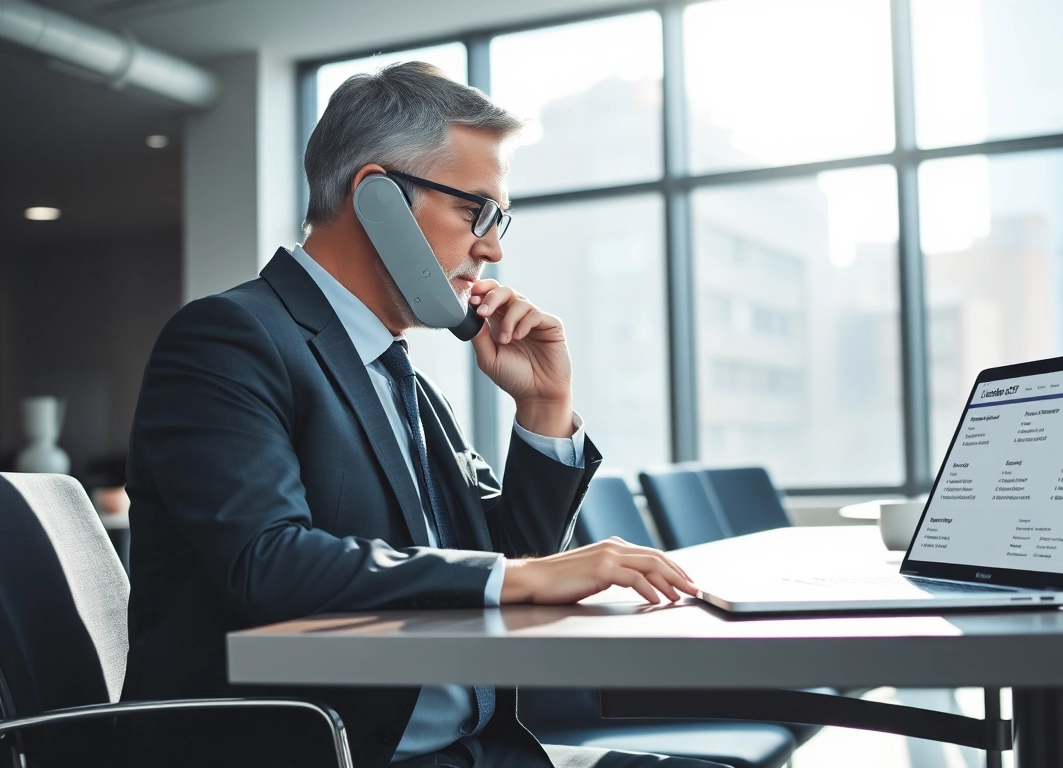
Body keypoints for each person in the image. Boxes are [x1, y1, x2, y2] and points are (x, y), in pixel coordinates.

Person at [121, 61, 717, 768]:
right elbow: (266, 562)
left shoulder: (399, 375)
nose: (493, 249)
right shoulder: (230, 337)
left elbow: (509, 556)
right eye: (477, 213)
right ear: (378, 198)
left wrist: (544, 406)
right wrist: (518, 578)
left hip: (476, 751)